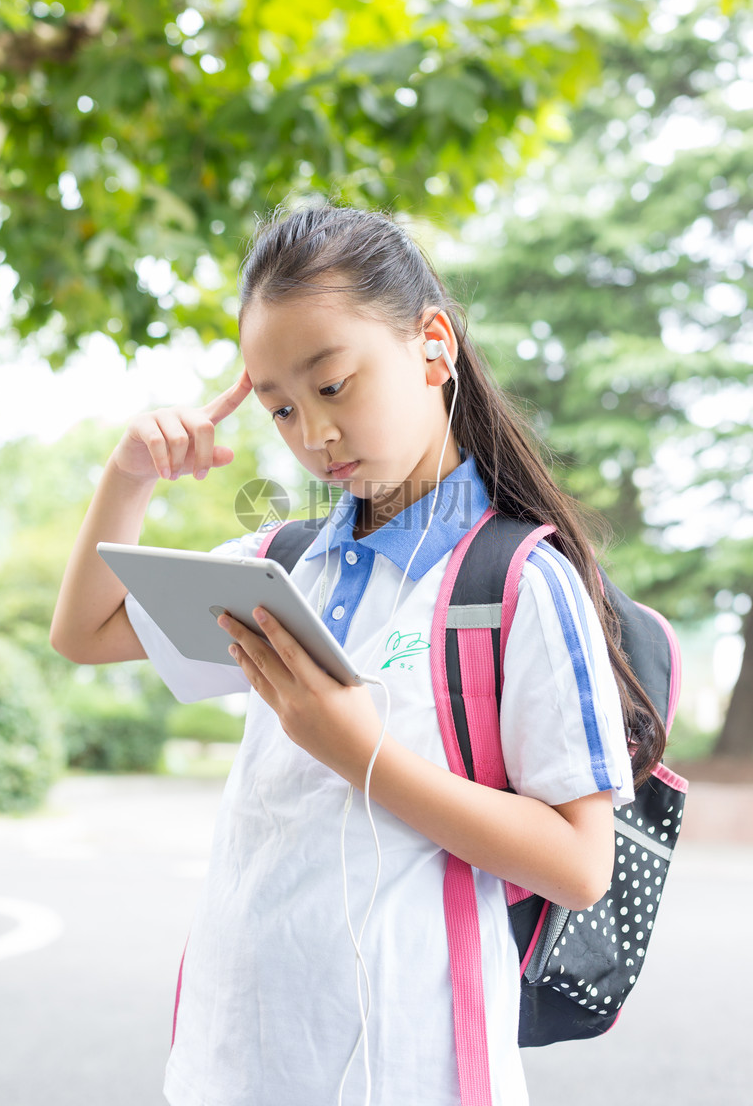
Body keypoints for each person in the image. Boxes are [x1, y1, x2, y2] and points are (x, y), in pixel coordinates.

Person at [50, 203, 666, 1106]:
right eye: (281, 407)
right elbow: (86, 632)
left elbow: (579, 862)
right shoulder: (281, 565)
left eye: (334, 385)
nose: (312, 434)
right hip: (232, 1057)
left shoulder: (516, 581)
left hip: (415, 1069)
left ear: (432, 346)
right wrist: (129, 474)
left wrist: (362, 755)